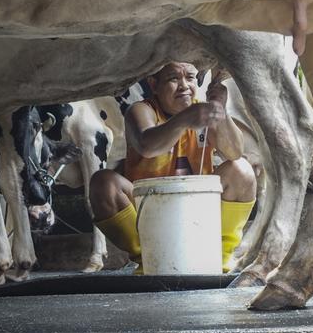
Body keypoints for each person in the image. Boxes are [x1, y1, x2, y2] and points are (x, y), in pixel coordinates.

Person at [88, 61, 257, 273]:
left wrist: (219, 109)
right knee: (103, 183)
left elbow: (234, 152)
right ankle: (150, 260)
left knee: (242, 170)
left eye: (190, 77)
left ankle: (218, 259)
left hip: (198, 212)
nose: (184, 85)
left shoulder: (202, 111)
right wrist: (184, 119)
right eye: (173, 79)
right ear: (154, 84)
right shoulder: (141, 110)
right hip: (152, 212)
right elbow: (148, 146)